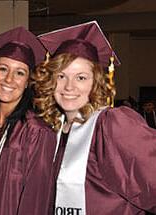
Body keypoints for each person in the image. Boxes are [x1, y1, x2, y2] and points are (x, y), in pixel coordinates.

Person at [32, 21, 156, 215]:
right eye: (62, 76)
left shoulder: (112, 125)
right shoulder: (52, 131)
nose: (69, 87)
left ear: (96, 83)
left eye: (81, 77)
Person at [0, 26, 57, 215]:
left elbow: (36, 203)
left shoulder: (37, 133)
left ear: (28, 82)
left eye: (20, 72)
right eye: (3, 69)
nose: (9, 79)